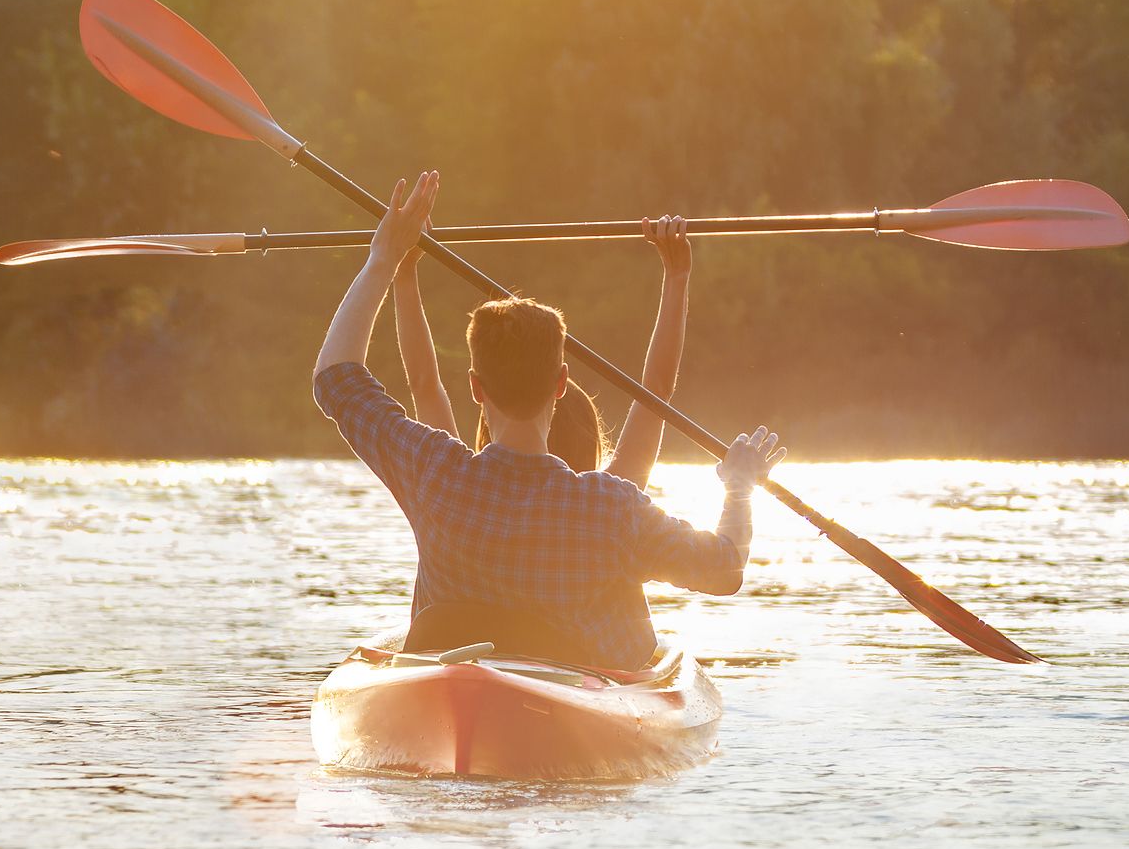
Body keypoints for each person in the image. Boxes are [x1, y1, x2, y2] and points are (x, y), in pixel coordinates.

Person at [313, 171, 784, 670]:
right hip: (566, 692)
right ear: (561, 382)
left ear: (475, 388)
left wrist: (385, 259)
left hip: (452, 682)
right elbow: (724, 570)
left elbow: (335, 379)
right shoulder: (612, 508)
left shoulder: (433, 472)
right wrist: (739, 487)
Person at [392, 205, 694, 490]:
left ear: (476, 387)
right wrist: (676, 276)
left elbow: (424, 385)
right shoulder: (605, 505)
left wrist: (403, 269)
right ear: (560, 382)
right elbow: (656, 392)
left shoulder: (455, 487)